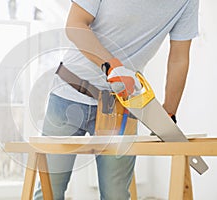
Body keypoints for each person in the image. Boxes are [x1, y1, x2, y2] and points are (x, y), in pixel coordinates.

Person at [34, 0, 199, 199]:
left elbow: (179, 57)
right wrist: (112, 66)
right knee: (49, 192)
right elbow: (75, 24)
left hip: (121, 106)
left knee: (117, 195)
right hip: (69, 93)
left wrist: (168, 113)